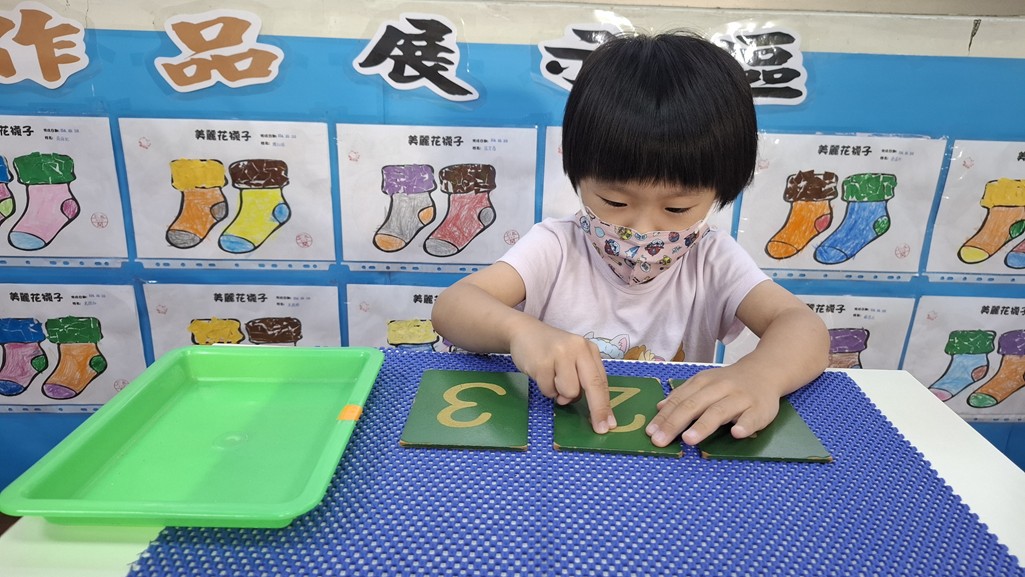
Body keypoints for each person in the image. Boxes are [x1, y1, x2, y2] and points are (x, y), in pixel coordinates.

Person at [431, 30, 829, 447]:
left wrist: (761, 375)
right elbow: (453, 306)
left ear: (720, 192)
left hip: (667, 451)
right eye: (614, 201)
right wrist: (520, 331)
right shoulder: (556, 246)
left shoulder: (712, 258)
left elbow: (802, 326)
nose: (643, 229)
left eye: (677, 208)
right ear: (577, 174)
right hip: (552, 446)